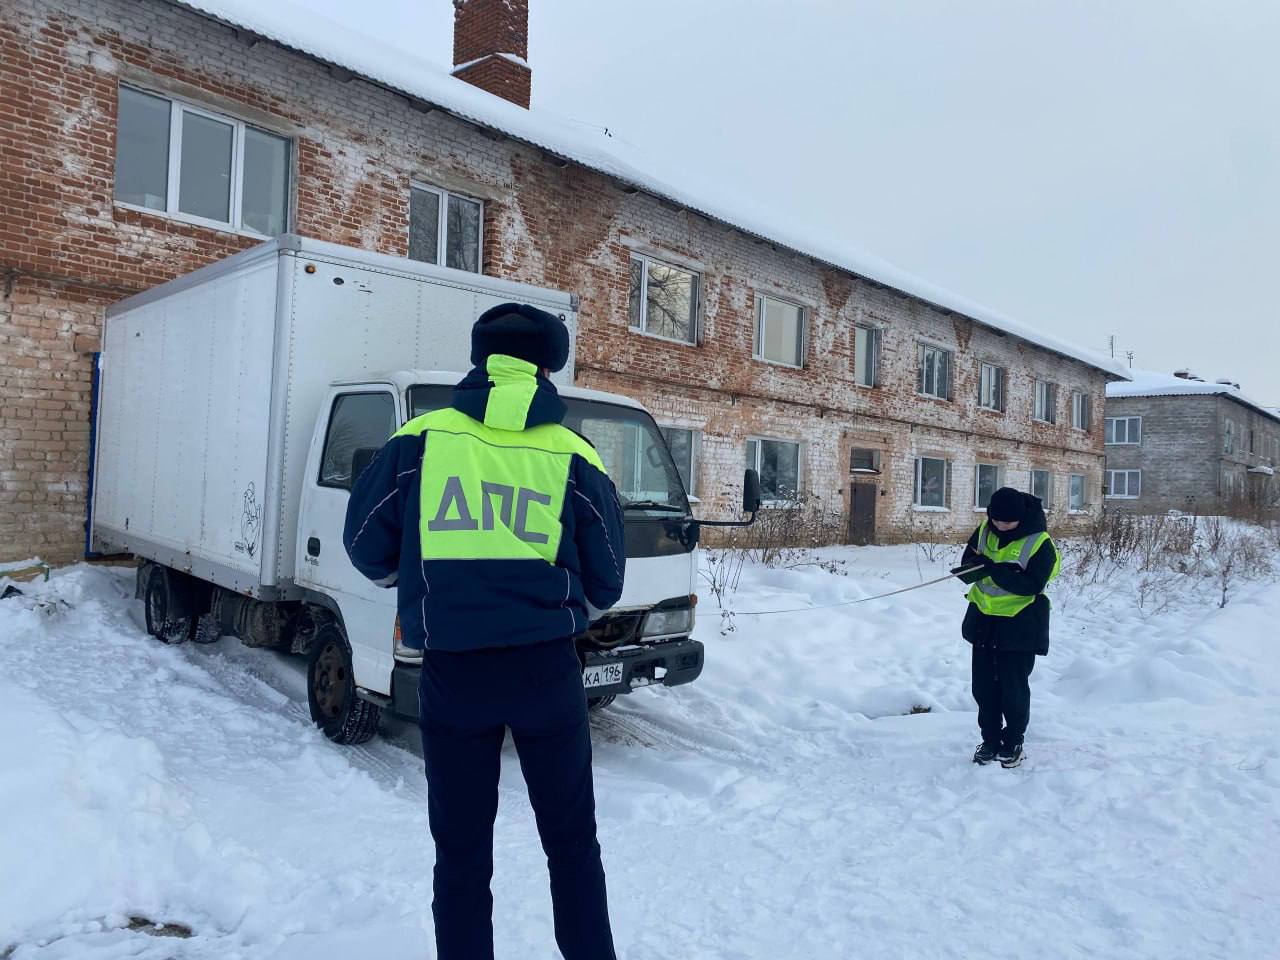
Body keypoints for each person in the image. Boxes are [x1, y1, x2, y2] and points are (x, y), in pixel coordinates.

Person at [343, 302, 626, 960]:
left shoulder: (421, 438)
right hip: (546, 673)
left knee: (463, 855)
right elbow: (609, 582)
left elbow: (363, 544)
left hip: (454, 673)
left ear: (479, 360)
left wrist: (409, 573)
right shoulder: (575, 454)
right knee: (572, 847)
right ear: (548, 367)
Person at [953, 487, 1060, 768]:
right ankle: (989, 740)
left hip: (1020, 624)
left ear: (1021, 518)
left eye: (1007, 522)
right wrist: (973, 568)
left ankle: (1013, 742)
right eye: (996, 519)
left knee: (1012, 688)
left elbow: (1032, 585)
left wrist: (995, 570)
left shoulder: (1040, 542)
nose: (1000, 525)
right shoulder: (985, 529)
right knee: (984, 688)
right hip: (983, 622)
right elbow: (968, 560)